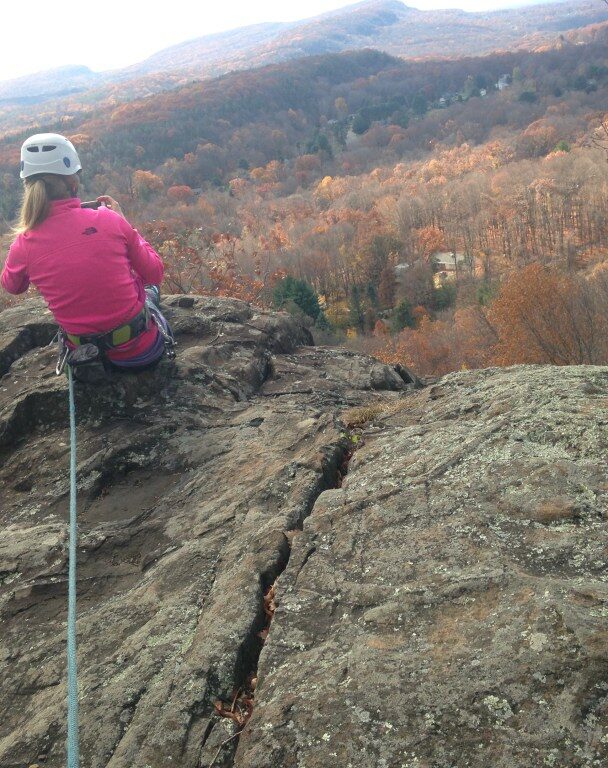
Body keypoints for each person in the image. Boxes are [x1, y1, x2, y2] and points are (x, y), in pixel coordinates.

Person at [0, 132, 174, 373]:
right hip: (140, 354)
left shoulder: (24, 243)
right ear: (74, 183)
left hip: (85, 362)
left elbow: (13, 286)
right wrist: (127, 226)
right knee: (150, 290)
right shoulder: (109, 220)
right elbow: (154, 272)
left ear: (28, 186)